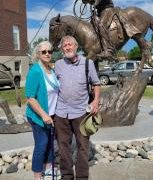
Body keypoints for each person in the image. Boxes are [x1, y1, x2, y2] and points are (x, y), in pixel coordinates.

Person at [54, 35, 100, 180]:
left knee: (82, 147)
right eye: (64, 46)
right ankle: (67, 176)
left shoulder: (88, 63)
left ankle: (81, 177)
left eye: (69, 44)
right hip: (61, 113)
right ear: (62, 49)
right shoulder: (58, 64)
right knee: (63, 147)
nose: (67, 47)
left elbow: (96, 84)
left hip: (81, 113)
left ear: (76, 46)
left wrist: (96, 101)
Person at [25, 41, 59, 180]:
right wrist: (44, 114)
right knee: (41, 145)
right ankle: (37, 177)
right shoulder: (35, 71)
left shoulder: (51, 70)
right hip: (38, 116)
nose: (47, 54)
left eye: (49, 51)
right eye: (43, 52)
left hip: (51, 115)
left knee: (51, 144)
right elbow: (30, 98)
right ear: (38, 54)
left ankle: (48, 170)